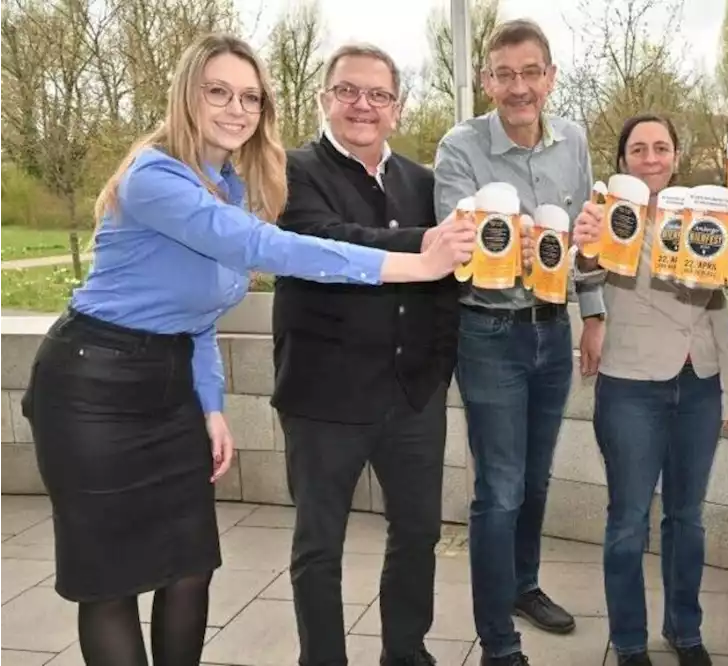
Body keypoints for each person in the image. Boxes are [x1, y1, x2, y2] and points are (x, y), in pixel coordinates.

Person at [18, 33, 473, 666]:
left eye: (250, 98)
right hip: (92, 386)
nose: (236, 109)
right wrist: (418, 262)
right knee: (112, 580)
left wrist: (211, 405)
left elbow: (199, 317)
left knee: (189, 569)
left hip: (169, 383)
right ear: (186, 97)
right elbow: (271, 249)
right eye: (218, 92)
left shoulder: (227, 184)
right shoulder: (155, 175)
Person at [271, 43, 459, 666]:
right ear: (325, 97)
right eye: (349, 91)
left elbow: (448, 280)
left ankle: (406, 654)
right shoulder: (288, 170)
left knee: (418, 535)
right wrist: (426, 245)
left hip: (411, 395)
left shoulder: (424, 181)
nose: (363, 106)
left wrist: (438, 369)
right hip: (325, 400)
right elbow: (325, 241)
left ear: (397, 109)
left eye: (378, 95)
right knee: (319, 547)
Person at [432, 18, 607, 666]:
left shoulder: (574, 144)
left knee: (534, 482)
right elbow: (455, 245)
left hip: (550, 334)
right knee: (499, 489)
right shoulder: (459, 147)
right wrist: (510, 237)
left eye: (531, 72)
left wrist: (593, 312)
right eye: (504, 74)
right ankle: (499, 645)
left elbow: (587, 240)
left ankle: (522, 586)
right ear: (486, 81)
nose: (518, 87)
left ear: (550, 77)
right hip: (489, 333)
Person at [578, 115, 728, 666]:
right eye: (638, 149)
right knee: (628, 520)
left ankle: (685, 630)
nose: (651, 158)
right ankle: (628, 641)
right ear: (623, 158)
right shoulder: (606, 215)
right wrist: (583, 251)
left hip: (699, 384)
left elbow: (720, 311)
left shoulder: (703, 216)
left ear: (675, 154)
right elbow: (582, 274)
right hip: (631, 387)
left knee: (687, 518)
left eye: (661, 147)